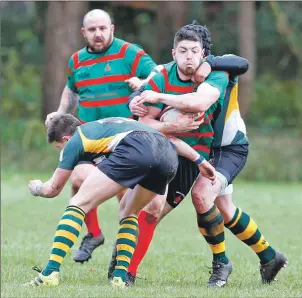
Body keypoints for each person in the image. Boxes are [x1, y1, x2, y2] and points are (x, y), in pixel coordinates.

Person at [110, 22, 287, 287]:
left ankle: (221, 265)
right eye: (184, 50)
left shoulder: (221, 70)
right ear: (174, 52)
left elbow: (201, 100)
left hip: (228, 147)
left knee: (202, 195)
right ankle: (270, 257)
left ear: (205, 53)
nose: (190, 56)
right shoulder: (167, 73)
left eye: (196, 50)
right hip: (193, 147)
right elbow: (143, 112)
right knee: (220, 209)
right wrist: (138, 97)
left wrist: (156, 97)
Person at [25, 114, 218, 288]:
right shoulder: (112, 124)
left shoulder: (78, 138)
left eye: (61, 147)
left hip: (138, 148)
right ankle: (119, 278)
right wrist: (199, 161)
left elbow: (53, 189)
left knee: (78, 203)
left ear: (66, 139)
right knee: (129, 211)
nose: (64, 151)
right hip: (168, 156)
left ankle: (50, 273)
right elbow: (168, 140)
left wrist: (36, 188)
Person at [44, 9, 157, 263]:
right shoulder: (76, 60)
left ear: (112, 29)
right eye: (92, 30)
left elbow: (158, 73)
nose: (98, 34)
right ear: (84, 32)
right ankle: (94, 235)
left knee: (124, 197)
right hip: (91, 137)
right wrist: (59, 113)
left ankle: (124, 253)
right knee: (78, 179)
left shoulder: (129, 52)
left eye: (103, 29)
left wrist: (143, 82)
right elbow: (71, 89)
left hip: (125, 138)